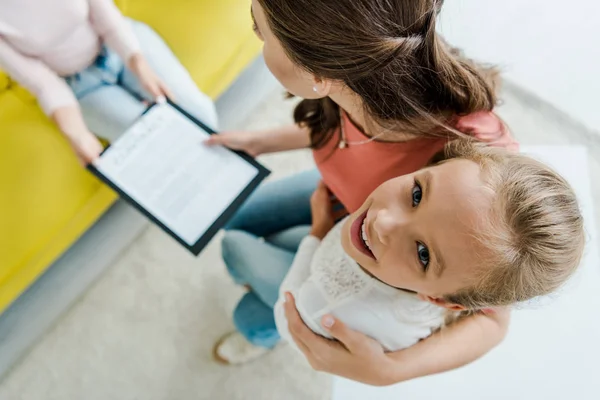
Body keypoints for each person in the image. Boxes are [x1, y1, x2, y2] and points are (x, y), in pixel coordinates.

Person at [207, 0, 517, 382]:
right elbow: (351, 137)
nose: (257, 36)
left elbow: (494, 319)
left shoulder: (476, 158)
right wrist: (262, 141)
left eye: (260, 32)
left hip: (375, 261)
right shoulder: (368, 69)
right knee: (230, 214)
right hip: (341, 198)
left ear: (317, 73)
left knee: (246, 300)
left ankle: (262, 332)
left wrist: (390, 370)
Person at [269, 141, 584, 357]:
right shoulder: (467, 271)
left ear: (439, 298)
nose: (383, 222)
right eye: (417, 194)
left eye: (423, 254)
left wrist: (317, 231)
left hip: (303, 296)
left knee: (236, 249)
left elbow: (287, 317)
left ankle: (257, 334)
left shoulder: (323, 309)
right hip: (326, 257)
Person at [0, 0, 217, 165]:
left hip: (125, 46)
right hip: (81, 87)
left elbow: (107, 17)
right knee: (159, 145)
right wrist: (76, 133)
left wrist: (140, 66)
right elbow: (43, 84)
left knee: (200, 114)